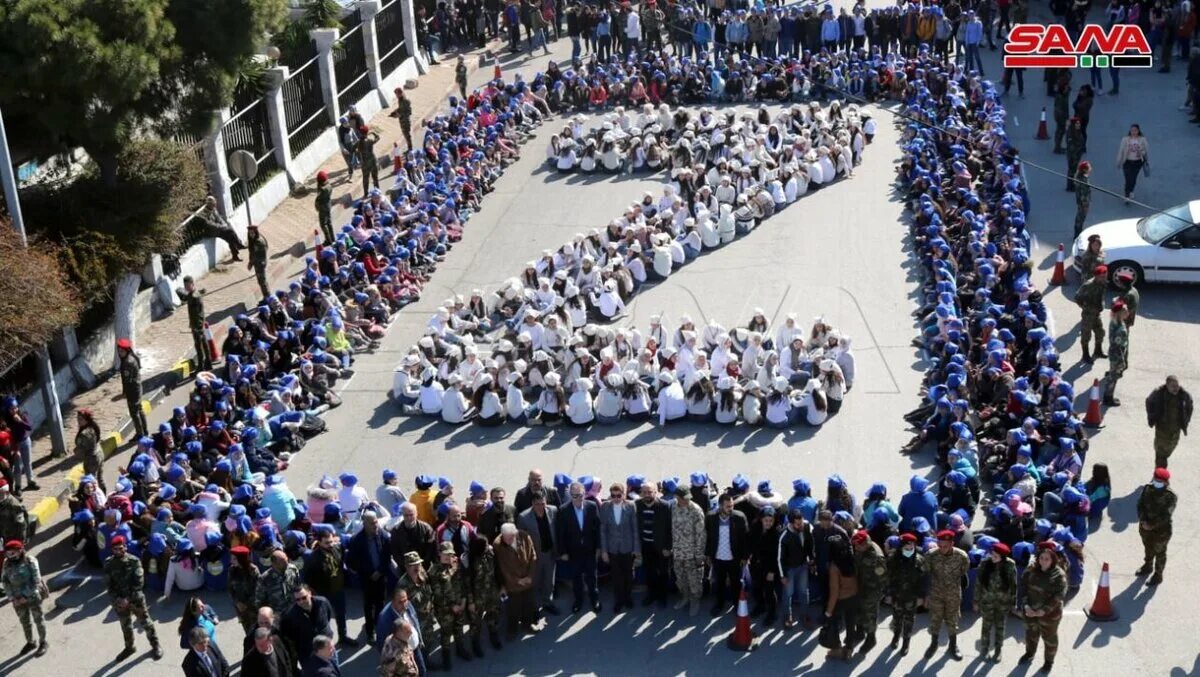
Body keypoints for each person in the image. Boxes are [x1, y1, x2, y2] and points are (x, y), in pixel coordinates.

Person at [105, 536, 163, 661]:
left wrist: (127, 599)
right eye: (115, 549)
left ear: (125, 547)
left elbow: (139, 584)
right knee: (125, 626)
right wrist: (117, 600)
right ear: (112, 550)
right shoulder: (109, 563)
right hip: (120, 602)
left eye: (120, 548)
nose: (118, 551)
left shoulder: (134, 561)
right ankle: (129, 647)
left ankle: (155, 645)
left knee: (146, 623)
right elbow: (109, 585)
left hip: (136, 600)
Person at [1019, 542, 1068, 672]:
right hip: (1030, 612)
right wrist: (1026, 605)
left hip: (1049, 615)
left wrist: (1043, 610)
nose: (1043, 561)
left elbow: (1059, 596)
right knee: (1031, 635)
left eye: (1047, 559)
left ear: (1053, 559)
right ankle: (1029, 654)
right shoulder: (1031, 569)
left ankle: (1048, 662)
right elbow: (1023, 587)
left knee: (1050, 639)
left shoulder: (1059, 574)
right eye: (1041, 558)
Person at [556, 481, 601, 614]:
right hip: (573, 552)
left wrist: (598, 547)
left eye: (580, 495)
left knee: (592, 577)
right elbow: (561, 533)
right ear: (570, 495)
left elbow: (597, 528)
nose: (578, 498)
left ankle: (595, 599)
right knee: (576, 578)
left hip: (589, 550)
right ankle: (578, 601)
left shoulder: (592, 506)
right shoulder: (564, 510)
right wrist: (563, 551)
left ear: (584, 494)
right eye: (574, 496)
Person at [348, 511, 393, 641]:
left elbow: (387, 557)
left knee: (381, 602)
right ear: (365, 523)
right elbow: (352, 562)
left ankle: (380, 626)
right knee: (369, 605)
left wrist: (379, 571)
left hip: (381, 576)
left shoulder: (383, 536)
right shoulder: (356, 540)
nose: (375, 525)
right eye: (372, 523)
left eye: (376, 522)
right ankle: (370, 631)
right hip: (366, 579)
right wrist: (369, 573)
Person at [924, 529, 969, 660]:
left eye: (946, 546)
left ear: (952, 544)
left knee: (952, 620)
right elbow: (926, 573)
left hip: (953, 593)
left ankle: (953, 646)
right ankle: (933, 644)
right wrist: (926, 594)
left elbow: (963, 571)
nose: (942, 549)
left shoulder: (962, 556)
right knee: (935, 619)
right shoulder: (931, 555)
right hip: (936, 593)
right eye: (940, 545)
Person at [429, 541, 471, 669]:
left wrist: (463, 601)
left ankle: (460, 649)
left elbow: (463, 583)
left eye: (450, 554)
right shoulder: (434, 571)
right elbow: (437, 594)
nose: (448, 557)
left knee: (459, 629)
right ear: (439, 554)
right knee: (446, 633)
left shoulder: (456, 565)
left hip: (460, 605)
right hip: (444, 610)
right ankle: (446, 656)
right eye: (445, 554)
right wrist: (452, 606)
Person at [705, 493, 749, 616]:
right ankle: (719, 604)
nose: (731, 509)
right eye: (728, 506)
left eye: (732, 506)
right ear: (720, 506)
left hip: (734, 558)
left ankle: (736, 605)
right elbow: (708, 538)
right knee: (719, 583)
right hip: (718, 558)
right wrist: (708, 555)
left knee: (736, 583)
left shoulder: (739, 518)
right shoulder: (711, 517)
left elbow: (745, 539)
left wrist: (745, 557)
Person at [1, 539, 48, 656]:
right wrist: (12, 598)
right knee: (24, 622)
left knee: (39, 620)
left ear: (20, 550)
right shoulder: (7, 563)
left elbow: (36, 581)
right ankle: (30, 642)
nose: (9, 555)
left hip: (32, 596)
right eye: (7, 553)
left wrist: (25, 596)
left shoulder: (30, 561)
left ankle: (43, 642)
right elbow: (5, 581)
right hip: (17, 600)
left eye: (12, 553)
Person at [517, 490, 559, 616]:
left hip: (550, 553)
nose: (541, 507)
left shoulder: (553, 510)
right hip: (535, 556)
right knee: (535, 583)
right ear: (532, 504)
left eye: (543, 503)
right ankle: (535, 608)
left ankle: (547, 602)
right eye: (537, 504)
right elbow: (521, 540)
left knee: (549, 582)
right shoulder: (524, 517)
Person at [599, 482, 638, 612]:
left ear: (623, 495)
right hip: (612, 549)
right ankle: (619, 600)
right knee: (616, 576)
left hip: (627, 547)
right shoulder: (605, 507)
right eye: (613, 495)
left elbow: (635, 529)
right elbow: (603, 530)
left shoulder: (631, 506)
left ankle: (628, 597)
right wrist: (604, 550)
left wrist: (636, 549)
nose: (616, 498)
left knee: (629, 574)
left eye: (618, 495)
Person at [494, 522, 538, 637]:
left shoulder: (524, 536)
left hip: (528, 579)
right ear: (502, 535)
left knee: (528, 604)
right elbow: (502, 568)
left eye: (512, 537)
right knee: (513, 608)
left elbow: (532, 556)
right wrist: (517, 580)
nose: (509, 541)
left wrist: (530, 576)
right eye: (506, 538)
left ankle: (527, 625)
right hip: (513, 584)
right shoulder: (498, 545)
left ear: (516, 533)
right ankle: (512, 630)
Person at [975, 542, 1017, 662]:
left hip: (1002, 603)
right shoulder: (984, 564)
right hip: (987, 601)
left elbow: (1013, 586)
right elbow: (978, 583)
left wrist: (1013, 603)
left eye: (996, 556)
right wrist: (976, 601)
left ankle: (998, 650)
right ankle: (985, 648)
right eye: (992, 554)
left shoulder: (1010, 565)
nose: (992, 557)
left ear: (1002, 557)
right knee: (986, 626)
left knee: (1000, 627)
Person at [886, 533, 926, 655]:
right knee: (897, 618)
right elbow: (888, 578)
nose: (909, 550)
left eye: (911, 548)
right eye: (906, 548)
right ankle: (896, 636)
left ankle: (906, 643)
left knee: (909, 621)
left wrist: (921, 597)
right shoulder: (893, 558)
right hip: (897, 595)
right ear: (901, 547)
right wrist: (888, 594)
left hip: (911, 597)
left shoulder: (919, 560)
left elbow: (923, 580)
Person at [1135, 467, 1177, 585]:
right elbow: (1140, 505)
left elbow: (1166, 515)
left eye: (1160, 481)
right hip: (1145, 527)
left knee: (1160, 553)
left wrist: (1151, 525)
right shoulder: (1147, 488)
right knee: (1148, 548)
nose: (1156, 482)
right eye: (1155, 479)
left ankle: (1158, 575)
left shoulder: (1171, 496)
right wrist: (1143, 521)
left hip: (1161, 532)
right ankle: (1147, 566)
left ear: (1166, 482)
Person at [670, 485, 706, 617]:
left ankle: (695, 601)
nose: (687, 501)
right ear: (677, 497)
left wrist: (699, 554)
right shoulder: (673, 508)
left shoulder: (696, 510)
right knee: (680, 578)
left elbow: (701, 535)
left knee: (694, 580)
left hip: (691, 553)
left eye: (688, 498)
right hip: (678, 552)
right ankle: (685, 597)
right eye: (684, 498)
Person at [821, 533, 859, 661]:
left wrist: (828, 611)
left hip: (841, 599)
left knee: (834, 623)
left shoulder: (834, 566)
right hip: (854, 597)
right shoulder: (851, 559)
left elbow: (834, 591)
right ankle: (848, 650)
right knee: (850, 623)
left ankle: (836, 649)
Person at [465, 535, 504, 655]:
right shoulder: (470, 561)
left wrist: (501, 587)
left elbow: (497, 571)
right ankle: (475, 643)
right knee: (475, 622)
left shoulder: (491, 555)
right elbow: (467, 584)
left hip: (492, 593)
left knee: (493, 615)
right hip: (478, 597)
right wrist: (470, 602)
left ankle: (493, 635)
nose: (488, 546)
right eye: (485, 545)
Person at [635, 482, 672, 607]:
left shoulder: (665, 506)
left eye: (649, 492)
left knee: (663, 573)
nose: (646, 494)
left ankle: (662, 597)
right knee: (649, 572)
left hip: (661, 547)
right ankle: (652, 595)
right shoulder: (637, 505)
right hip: (646, 546)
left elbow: (670, 528)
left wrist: (668, 547)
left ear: (656, 492)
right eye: (644, 492)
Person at [850, 529, 887, 655]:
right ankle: (859, 632)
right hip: (860, 586)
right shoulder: (862, 548)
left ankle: (871, 638)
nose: (856, 548)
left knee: (869, 615)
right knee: (858, 610)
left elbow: (882, 579)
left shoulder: (876, 557)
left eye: (858, 546)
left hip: (872, 590)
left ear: (865, 543)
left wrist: (876, 594)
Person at [281, 585, 336, 666]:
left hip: (327, 647)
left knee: (333, 670)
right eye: (298, 600)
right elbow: (289, 634)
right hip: (308, 654)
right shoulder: (291, 615)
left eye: (304, 597)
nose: (301, 601)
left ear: (310, 593)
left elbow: (328, 616)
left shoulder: (322, 602)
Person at [778, 507, 815, 629]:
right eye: (797, 524)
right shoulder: (784, 536)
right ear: (791, 523)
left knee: (804, 592)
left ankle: (805, 615)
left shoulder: (807, 526)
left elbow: (810, 544)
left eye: (801, 522)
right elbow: (779, 558)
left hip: (803, 566)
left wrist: (811, 559)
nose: (800, 526)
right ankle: (787, 617)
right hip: (789, 569)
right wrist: (782, 575)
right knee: (788, 594)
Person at [1145, 375, 1194, 468]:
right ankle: (1159, 476)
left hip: (1175, 430)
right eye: (1173, 386)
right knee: (1160, 454)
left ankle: (1160, 471)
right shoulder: (1158, 393)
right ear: (1167, 386)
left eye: (1177, 386)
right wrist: (1152, 416)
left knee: (1169, 451)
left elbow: (1189, 406)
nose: (1176, 388)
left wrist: (1186, 420)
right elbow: (1149, 401)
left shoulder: (1184, 395)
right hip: (1162, 429)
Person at [1073, 264, 1107, 364]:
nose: (1104, 278)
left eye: (1105, 276)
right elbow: (1077, 297)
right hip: (1088, 315)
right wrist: (1085, 307)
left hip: (1097, 313)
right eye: (1102, 276)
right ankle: (1085, 355)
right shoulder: (1088, 285)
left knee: (1100, 332)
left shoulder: (1103, 283)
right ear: (1096, 276)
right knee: (1086, 335)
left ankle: (1098, 351)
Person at [116, 338, 148, 441]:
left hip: (133, 392)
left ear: (127, 350)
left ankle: (140, 434)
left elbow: (127, 381)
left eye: (122, 351)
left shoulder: (127, 363)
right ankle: (144, 431)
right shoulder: (132, 358)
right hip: (137, 388)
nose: (120, 353)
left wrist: (124, 394)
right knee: (139, 410)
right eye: (119, 351)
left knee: (134, 414)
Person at [178, 275, 212, 372]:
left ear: (193, 284)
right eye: (185, 286)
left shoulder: (194, 297)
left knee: (199, 346)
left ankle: (201, 366)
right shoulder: (193, 294)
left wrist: (198, 327)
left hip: (198, 325)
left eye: (188, 285)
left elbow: (198, 314)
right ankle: (208, 362)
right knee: (204, 343)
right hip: (196, 324)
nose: (186, 288)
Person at [198, 195, 245, 261]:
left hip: (219, 230)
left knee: (230, 236)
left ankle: (235, 255)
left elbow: (219, 218)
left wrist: (224, 224)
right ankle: (239, 244)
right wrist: (222, 227)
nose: (214, 205)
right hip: (211, 232)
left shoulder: (213, 209)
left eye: (215, 203)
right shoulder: (204, 213)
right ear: (209, 204)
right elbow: (210, 224)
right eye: (213, 204)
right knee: (230, 231)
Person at [1102, 301, 1130, 406]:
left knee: (1113, 376)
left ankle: (1108, 396)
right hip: (1117, 355)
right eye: (1125, 311)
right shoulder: (1120, 329)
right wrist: (1122, 361)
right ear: (1120, 313)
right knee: (1113, 377)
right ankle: (1108, 398)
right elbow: (1118, 346)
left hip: (1114, 352)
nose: (1128, 312)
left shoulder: (1114, 322)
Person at [1116, 123, 1149, 203]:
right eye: (1132, 130)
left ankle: (1131, 191)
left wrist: (1140, 151)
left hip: (1137, 162)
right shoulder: (1125, 139)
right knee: (1127, 179)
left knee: (1133, 178)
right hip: (1127, 161)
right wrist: (1119, 161)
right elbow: (1121, 151)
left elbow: (1146, 150)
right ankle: (1127, 196)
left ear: (1138, 131)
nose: (1133, 132)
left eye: (1135, 130)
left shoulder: (1142, 139)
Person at [73, 409, 105, 493]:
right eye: (78, 419)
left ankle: (95, 500)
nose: (78, 421)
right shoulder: (93, 426)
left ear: (86, 420)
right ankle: (103, 495)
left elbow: (81, 447)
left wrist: (76, 451)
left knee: (90, 482)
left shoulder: (84, 433)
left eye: (81, 419)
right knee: (100, 478)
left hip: (91, 459)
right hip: (99, 454)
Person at [247, 224, 270, 300]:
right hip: (260, 261)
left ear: (255, 232)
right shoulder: (258, 238)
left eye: (252, 233)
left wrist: (250, 263)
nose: (251, 235)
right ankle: (267, 295)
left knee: (261, 281)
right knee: (262, 280)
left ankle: (267, 297)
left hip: (259, 263)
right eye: (249, 233)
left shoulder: (258, 241)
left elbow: (254, 254)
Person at [314, 170, 334, 246]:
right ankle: (332, 238)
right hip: (328, 205)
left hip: (323, 208)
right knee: (329, 222)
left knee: (323, 224)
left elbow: (318, 199)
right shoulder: (329, 186)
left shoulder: (322, 189)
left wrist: (317, 205)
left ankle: (328, 240)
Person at [1072, 160, 1092, 238]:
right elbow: (1083, 193)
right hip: (1083, 202)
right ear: (1084, 170)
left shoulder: (1080, 178)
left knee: (1079, 217)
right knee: (1081, 218)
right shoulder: (1083, 180)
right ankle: (1077, 234)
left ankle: (1077, 232)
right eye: (1088, 168)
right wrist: (1085, 204)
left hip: (1081, 202)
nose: (1090, 169)